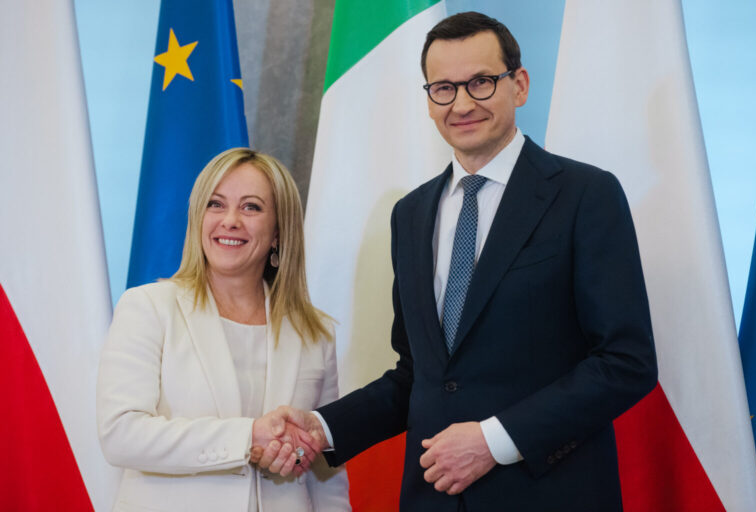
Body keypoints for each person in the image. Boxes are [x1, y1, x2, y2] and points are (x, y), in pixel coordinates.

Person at [264, 11, 657, 512]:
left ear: (519, 85)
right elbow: (419, 374)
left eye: (481, 82)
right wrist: (321, 427)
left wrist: (494, 440)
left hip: (551, 495)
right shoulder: (411, 214)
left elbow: (627, 362)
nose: (462, 103)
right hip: (433, 498)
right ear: (428, 99)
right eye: (443, 88)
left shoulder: (586, 195)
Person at [97, 148, 350, 512]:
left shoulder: (315, 331)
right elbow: (120, 436)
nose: (230, 220)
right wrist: (248, 437)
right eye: (215, 204)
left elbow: (326, 468)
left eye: (251, 207)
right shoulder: (148, 307)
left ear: (279, 232)